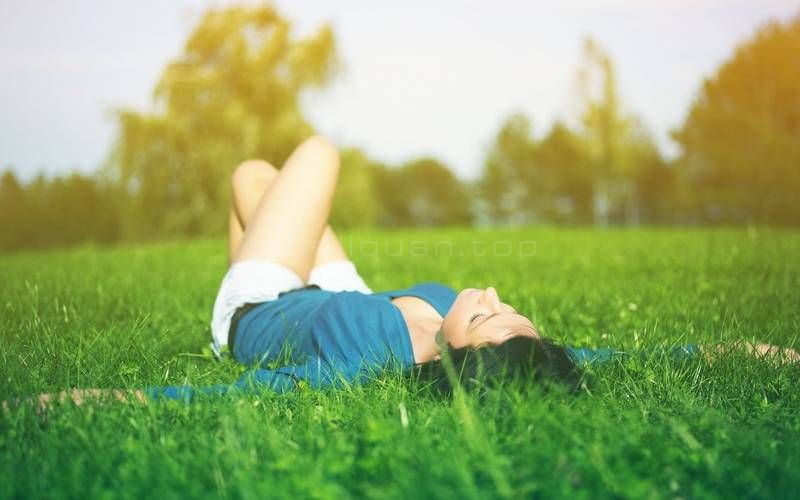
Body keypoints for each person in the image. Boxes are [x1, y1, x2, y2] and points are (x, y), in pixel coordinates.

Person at [14, 136, 800, 411]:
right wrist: (753, 353)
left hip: (267, 305)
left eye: (485, 317)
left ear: (459, 359)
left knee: (312, 157)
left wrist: (66, 400)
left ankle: (227, 305)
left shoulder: (367, 365)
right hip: (346, 293)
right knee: (255, 176)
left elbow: (213, 398)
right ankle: (257, 207)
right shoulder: (510, 356)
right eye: (508, 310)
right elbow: (618, 361)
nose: (490, 295)